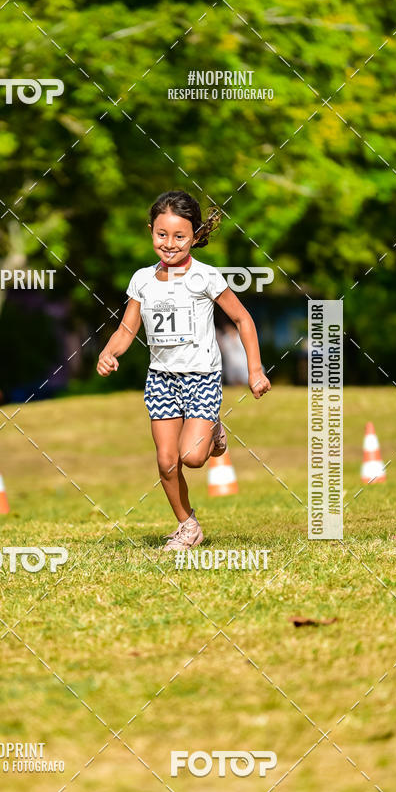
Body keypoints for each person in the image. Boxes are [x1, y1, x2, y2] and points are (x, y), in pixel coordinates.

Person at [97, 190, 270, 551]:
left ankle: (213, 429)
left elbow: (243, 319)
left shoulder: (206, 277)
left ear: (195, 236)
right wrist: (109, 352)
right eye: (162, 234)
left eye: (179, 236)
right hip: (161, 380)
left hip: (202, 377)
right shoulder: (142, 280)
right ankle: (187, 525)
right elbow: (127, 329)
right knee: (166, 460)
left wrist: (255, 370)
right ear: (150, 231)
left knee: (192, 457)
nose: (170, 243)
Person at [217, 321, 250, 385]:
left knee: (243, 380)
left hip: (242, 362)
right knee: (234, 382)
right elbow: (223, 350)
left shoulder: (240, 336)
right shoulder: (226, 338)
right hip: (231, 364)